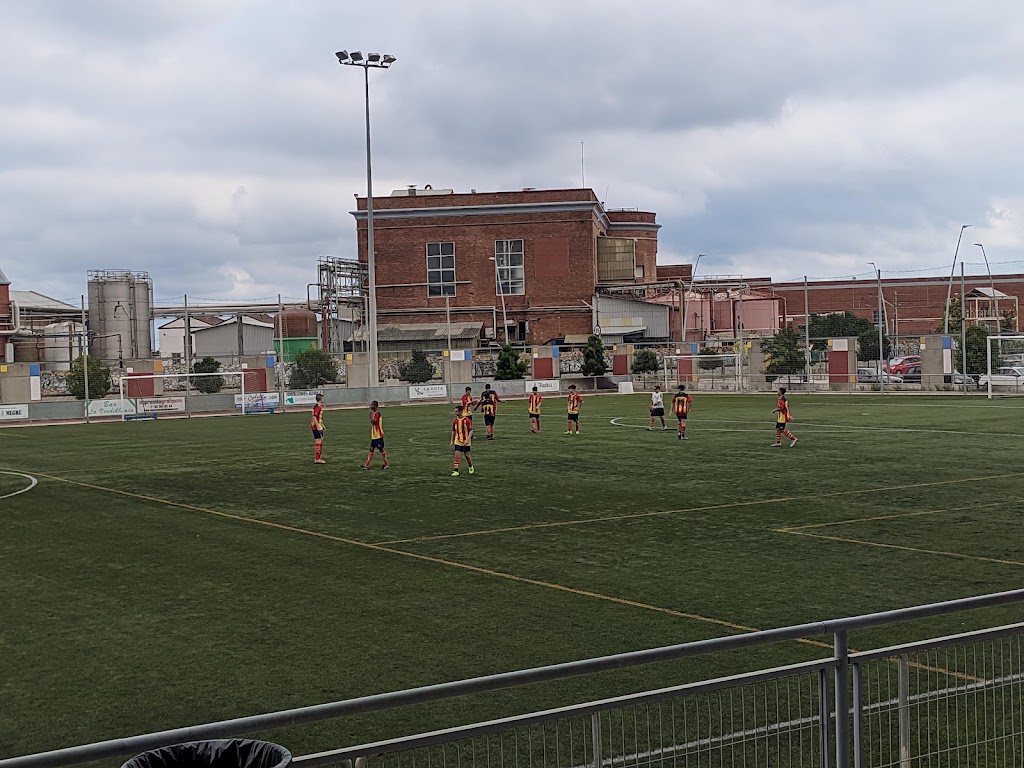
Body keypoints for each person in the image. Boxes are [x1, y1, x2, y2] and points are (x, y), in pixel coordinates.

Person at [363, 400, 390, 469]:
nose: (370, 406)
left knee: (381, 449)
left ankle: (386, 464)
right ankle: (366, 465)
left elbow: (374, 422)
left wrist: (370, 417)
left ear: (375, 406)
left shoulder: (377, 413)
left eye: (372, 405)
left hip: (378, 435)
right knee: (371, 449)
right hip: (374, 435)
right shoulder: (375, 413)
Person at [450, 404, 475, 476]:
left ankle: (470, 466)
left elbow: (471, 430)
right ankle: (456, 470)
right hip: (458, 440)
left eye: (456, 411)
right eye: (455, 411)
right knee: (457, 454)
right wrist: (452, 440)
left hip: (465, 440)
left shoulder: (467, 420)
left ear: (461, 412)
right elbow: (453, 431)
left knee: (467, 455)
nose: (455, 413)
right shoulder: (455, 420)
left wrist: (467, 439)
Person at [310, 393, 326, 464]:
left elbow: (318, 418)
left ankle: (318, 458)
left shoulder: (317, 406)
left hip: (317, 426)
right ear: (321, 399)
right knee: (318, 441)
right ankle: (317, 459)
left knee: (320, 441)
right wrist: (318, 426)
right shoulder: (317, 407)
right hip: (316, 427)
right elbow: (314, 417)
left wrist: (322, 425)